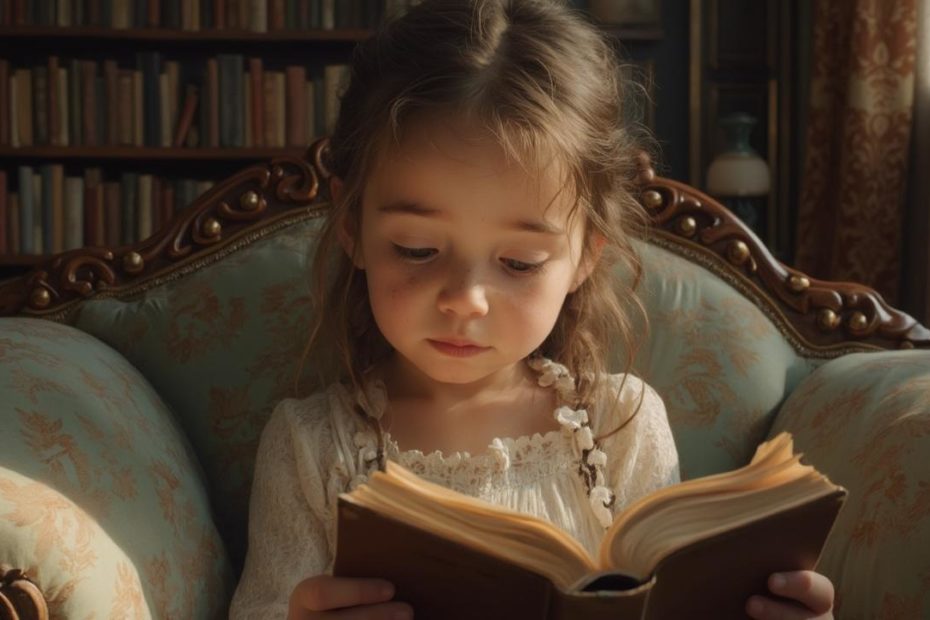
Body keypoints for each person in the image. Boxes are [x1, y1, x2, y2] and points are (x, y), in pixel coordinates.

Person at [230, 1, 836, 618]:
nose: (465, 299)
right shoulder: (312, 448)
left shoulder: (618, 426)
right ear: (352, 227)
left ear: (585, 257)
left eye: (519, 263)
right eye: (416, 250)